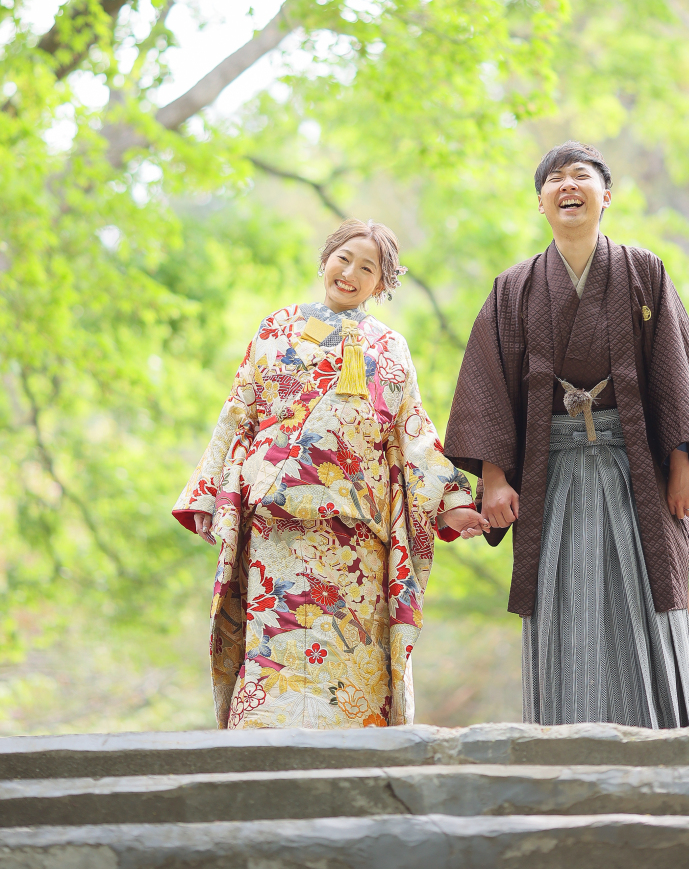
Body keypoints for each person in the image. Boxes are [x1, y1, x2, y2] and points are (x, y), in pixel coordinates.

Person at [444, 142, 689, 728]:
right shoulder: (513, 288)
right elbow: (487, 385)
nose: (568, 186)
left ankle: (664, 739)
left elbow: (676, 369)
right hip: (553, 469)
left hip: (636, 469)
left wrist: (683, 465)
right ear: (541, 203)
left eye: (581, 177)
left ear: (606, 196)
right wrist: (493, 480)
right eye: (554, 180)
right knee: (560, 599)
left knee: (644, 595)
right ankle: (561, 739)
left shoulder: (643, 272)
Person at [174, 219, 485, 730]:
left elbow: (412, 429)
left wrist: (451, 499)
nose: (351, 273)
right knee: (273, 651)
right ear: (325, 260)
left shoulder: (390, 346)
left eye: (369, 268)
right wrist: (208, 496)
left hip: (354, 542)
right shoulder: (276, 327)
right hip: (276, 530)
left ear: (381, 285)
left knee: (349, 661)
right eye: (344, 258)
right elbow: (239, 412)